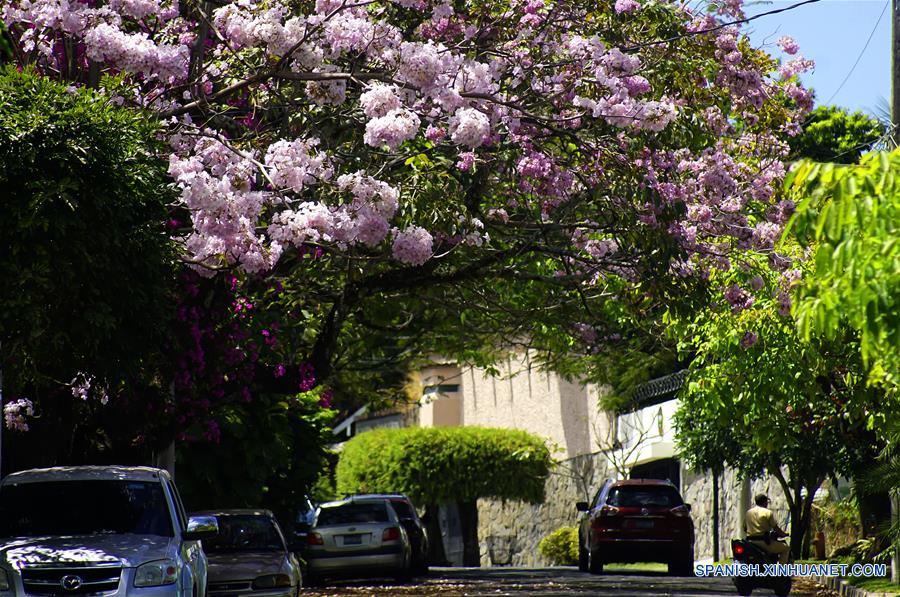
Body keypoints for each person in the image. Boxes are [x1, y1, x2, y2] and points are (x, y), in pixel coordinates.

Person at [744, 494, 790, 564]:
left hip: (750, 542)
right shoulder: (767, 512)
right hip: (764, 542)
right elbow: (775, 528)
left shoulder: (748, 512)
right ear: (765, 502)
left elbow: (744, 527)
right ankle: (781, 572)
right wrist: (783, 534)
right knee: (786, 548)